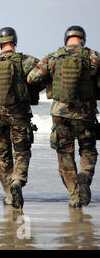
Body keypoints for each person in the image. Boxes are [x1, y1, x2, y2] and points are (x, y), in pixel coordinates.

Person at [27, 25, 99, 208]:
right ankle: (85, 174)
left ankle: (74, 196)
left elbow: (32, 78)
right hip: (86, 113)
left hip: (60, 114)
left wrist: (52, 78)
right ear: (83, 38)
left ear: (65, 39)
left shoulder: (54, 57)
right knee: (88, 149)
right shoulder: (93, 56)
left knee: (65, 154)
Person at [0, 27, 42, 210]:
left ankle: (9, 193)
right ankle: (18, 180)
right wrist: (31, 91)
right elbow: (43, 74)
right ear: (14, 41)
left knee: (2, 154)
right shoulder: (26, 60)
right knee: (22, 151)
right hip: (19, 113)